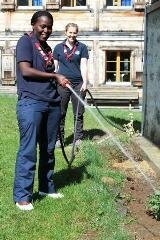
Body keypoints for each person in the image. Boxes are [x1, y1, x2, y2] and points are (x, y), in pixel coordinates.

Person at [13, 10, 70, 211]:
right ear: (33, 24)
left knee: (48, 149)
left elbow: (47, 71)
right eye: (42, 26)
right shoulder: (25, 42)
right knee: (28, 150)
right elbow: (25, 71)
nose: (46, 30)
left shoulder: (46, 47)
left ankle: (46, 187)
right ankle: (22, 196)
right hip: (31, 103)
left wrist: (58, 80)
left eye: (49, 27)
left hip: (51, 103)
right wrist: (55, 76)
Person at [53, 23, 89, 147]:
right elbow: (55, 67)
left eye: (74, 33)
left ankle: (78, 138)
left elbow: (83, 65)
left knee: (78, 112)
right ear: (65, 32)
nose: (72, 35)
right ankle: (59, 138)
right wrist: (55, 80)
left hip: (78, 84)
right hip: (63, 84)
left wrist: (85, 82)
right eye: (70, 32)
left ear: (77, 33)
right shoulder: (58, 48)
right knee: (60, 112)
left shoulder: (82, 47)